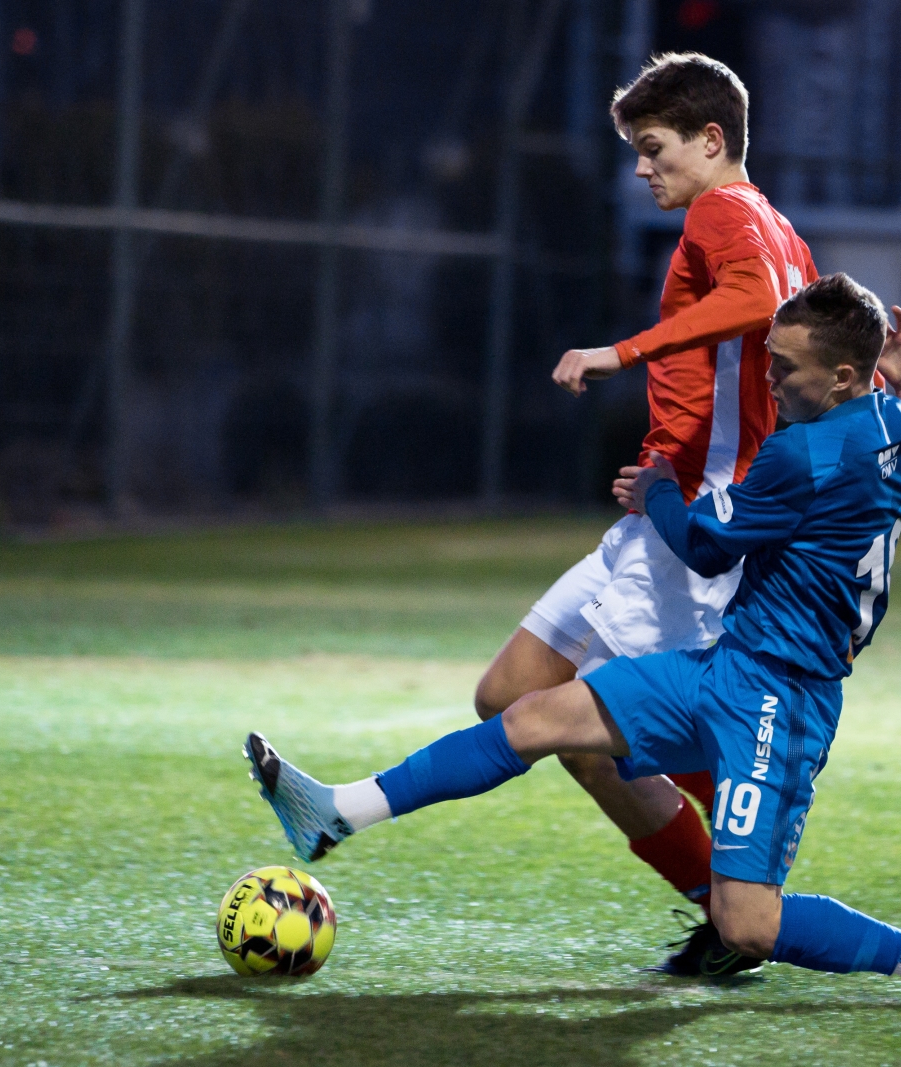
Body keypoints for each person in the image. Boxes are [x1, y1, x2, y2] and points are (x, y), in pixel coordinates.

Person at [243, 274, 901, 1001]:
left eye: (785, 370)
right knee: (535, 717)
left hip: (781, 704)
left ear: (843, 379)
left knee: (748, 926)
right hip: (727, 667)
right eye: (767, 361)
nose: (768, 380)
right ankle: (334, 811)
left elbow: (707, 546)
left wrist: (655, 492)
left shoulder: (800, 452)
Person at [316, 53, 816, 975]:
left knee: (593, 729)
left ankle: (743, 889)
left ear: (714, 141)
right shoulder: (779, 224)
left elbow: (758, 305)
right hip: (665, 509)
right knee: (510, 692)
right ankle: (735, 878)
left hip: (686, 533)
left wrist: (621, 354)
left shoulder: (723, 211)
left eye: (654, 147)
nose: (642, 167)